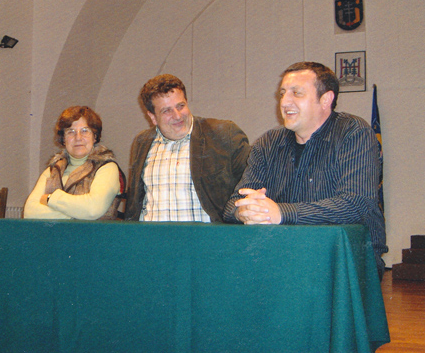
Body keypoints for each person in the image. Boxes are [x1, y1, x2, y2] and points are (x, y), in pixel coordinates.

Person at [223, 61, 388, 278]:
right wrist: (245, 210)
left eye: (296, 93)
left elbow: (356, 204)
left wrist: (281, 213)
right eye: (282, 93)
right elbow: (232, 205)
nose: (284, 102)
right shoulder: (267, 143)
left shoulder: (353, 132)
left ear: (326, 99)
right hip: (281, 258)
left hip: (344, 262)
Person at [124, 74, 250, 223]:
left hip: (204, 237)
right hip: (152, 236)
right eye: (167, 111)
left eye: (181, 106)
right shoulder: (142, 142)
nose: (177, 116)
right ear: (152, 117)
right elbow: (134, 203)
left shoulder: (224, 135)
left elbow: (249, 188)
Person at [23, 106, 124, 220]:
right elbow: (29, 212)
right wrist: (79, 212)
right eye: (71, 132)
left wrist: (50, 199)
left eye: (85, 131)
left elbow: (93, 209)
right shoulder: (52, 170)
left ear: (95, 137)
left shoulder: (107, 168)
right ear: (63, 139)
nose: (78, 137)